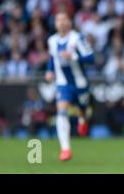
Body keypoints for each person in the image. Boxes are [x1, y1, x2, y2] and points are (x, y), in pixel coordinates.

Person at [45, 12, 94, 161]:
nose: (60, 22)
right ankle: (65, 149)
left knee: (83, 110)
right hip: (62, 84)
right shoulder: (52, 40)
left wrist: (74, 56)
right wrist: (49, 70)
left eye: (63, 19)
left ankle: (82, 120)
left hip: (80, 83)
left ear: (70, 22)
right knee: (61, 112)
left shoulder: (77, 38)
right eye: (58, 19)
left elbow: (91, 57)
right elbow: (52, 57)